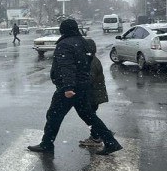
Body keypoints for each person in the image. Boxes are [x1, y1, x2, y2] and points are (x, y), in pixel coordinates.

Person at [27, 18, 123, 156]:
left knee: (54, 115)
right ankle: (111, 142)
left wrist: (68, 88)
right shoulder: (84, 42)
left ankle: (47, 144)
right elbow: (86, 63)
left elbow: (67, 67)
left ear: (63, 30)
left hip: (69, 89)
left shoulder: (65, 45)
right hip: (83, 86)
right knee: (89, 116)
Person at [78, 38, 109, 148]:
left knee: (90, 117)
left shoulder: (91, 62)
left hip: (92, 95)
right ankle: (96, 136)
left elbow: (89, 79)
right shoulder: (93, 59)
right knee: (91, 116)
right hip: (94, 94)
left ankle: (97, 138)